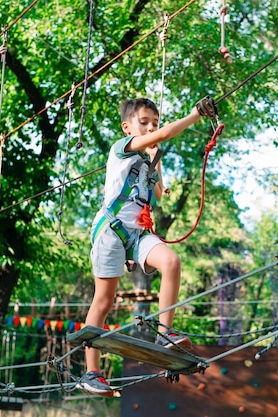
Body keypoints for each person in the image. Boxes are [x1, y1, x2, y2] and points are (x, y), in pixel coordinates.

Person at [78, 97, 216, 396]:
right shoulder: (121, 148)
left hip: (138, 234)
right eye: (145, 123)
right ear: (128, 127)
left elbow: (158, 194)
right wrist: (194, 116)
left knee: (172, 262)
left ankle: (166, 334)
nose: (151, 127)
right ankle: (91, 373)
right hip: (111, 230)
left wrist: (157, 161)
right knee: (104, 300)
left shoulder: (145, 159)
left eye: (154, 122)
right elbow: (165, 134)